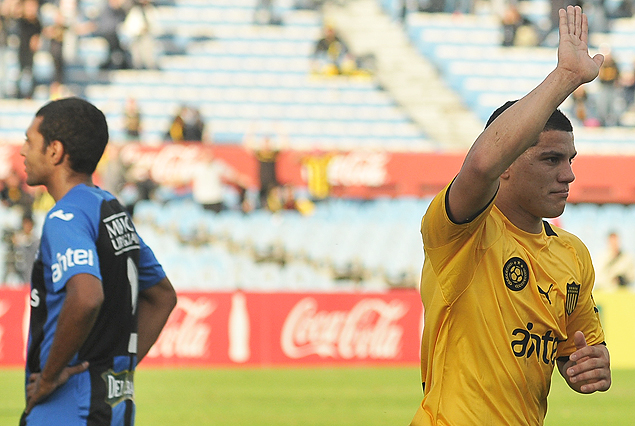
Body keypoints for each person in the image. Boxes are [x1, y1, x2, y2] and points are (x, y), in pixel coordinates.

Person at [410, 7, 611, 426]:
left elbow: (579, 348)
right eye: (551, 159)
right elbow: (480, 164)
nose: (569, 174)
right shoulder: (461, 232)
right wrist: (566, 78)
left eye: (570, 159)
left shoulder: (572, 255)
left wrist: (590, 364)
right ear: (507, 163)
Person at [19, 97, 177, 425]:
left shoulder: (66, 215)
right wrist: (117, 371)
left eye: (29, 141)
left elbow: (87, 296)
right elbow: (162, 296)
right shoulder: (110, 208)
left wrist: (49, 377)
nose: (23, 151)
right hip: (113, 404)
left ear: (55, 151)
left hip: (69, 408)